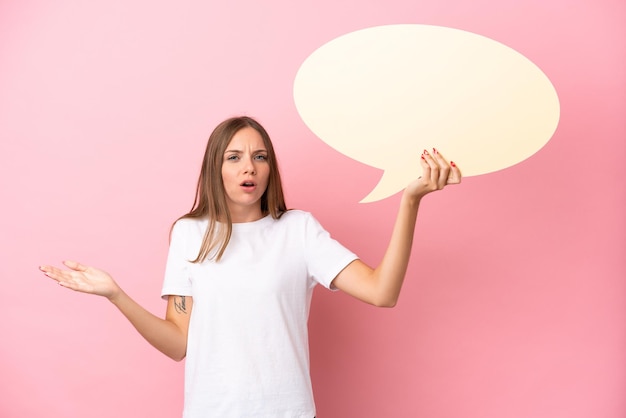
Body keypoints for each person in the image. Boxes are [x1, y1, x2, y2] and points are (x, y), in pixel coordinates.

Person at [39, 115, 462, 418]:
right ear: (215, 169)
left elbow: (382, 292)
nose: (249, 167)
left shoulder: (298, 230)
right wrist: (116, 294)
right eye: (234, 157)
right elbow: (177, 345)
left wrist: (410, 201)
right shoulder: (189, 234)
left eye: (260, 157)